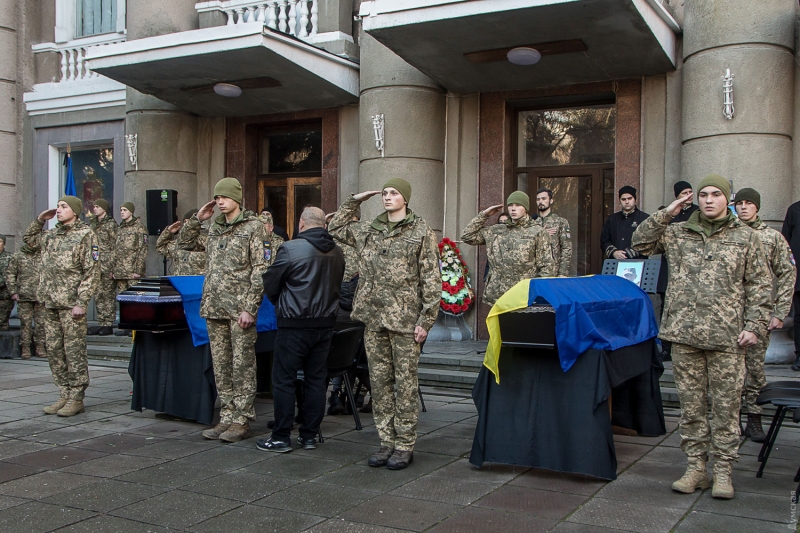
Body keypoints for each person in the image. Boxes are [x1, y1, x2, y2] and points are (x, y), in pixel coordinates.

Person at [632, 174, 771, 500]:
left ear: (728, 200)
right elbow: (640, 242)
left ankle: (723, 470)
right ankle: (696, 467)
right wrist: (670, 210)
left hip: (728, 339)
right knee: (692, 409)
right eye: (703, 194)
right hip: (685, 335)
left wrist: (755, 326)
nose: (708, 199)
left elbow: (760, 287)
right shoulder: (678, 233)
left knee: (726, 408)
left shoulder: (746, 238)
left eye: (716, 194)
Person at [328, 178, 440, 470]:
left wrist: (426, 320)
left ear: (406, 198)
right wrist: (356, 200)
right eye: (386, 193)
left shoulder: (420, 230)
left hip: (404, 321)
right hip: (373, 319)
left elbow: (431, 278)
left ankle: (404, 445)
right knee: (379, 384)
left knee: (405, 385)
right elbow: (335, 227)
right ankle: (385, 441)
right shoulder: (369, 229)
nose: (388, 197)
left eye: (394, 193)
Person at [180, 177, 268, 443]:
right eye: (217, 198)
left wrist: (250, 308)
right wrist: (198, 219)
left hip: (239, 309)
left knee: (242, 365)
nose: (219, 202)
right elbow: (182, 244)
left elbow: (261, 269)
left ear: (237, 199)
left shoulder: (254, 227)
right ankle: (227, 416)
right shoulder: (214, 228)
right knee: (221, 366)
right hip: (215, 307)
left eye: (224, 197)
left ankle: (242, 420)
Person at [256, 207, 344, 453]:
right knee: (316, 381)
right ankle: (309, 436)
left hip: (294, 323)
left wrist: (280, 304)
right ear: (323, 225)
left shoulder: (291, 248)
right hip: (325, 324)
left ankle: (281, 436)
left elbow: (271, 283)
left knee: (284, 380)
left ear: (302, 224)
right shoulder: (337, 252)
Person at [23, 197, 100, 417]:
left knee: (73, 351)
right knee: (55, 351)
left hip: (71, 305)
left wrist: (81, 302)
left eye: (64, 206)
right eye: (58, 206)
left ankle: (76, 397)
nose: (58, 210)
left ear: (75, 211)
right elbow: (29, 240)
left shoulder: (85, 234)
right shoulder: (51, 235)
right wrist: (40, 220)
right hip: (50, 303)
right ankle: (63, 393)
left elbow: (92, 271)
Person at [734, 188, 795, 442]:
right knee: (729, 371)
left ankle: (754, 419)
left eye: (749, 203)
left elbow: (787, 274)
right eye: (740, 203)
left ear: (757, 207)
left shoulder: (773, 238)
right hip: (728, 315)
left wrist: (780, 312)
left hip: (759, 316)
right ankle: (732, 420)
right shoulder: (728, 235)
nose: (744, 207)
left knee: (755, 370)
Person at [462, 191, 554, 306]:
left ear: (525, 208)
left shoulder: (537, 232)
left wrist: (535, 294)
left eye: (518, 205)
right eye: (510, 205)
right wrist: (484, 215)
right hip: (497, 295)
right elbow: (467, 236)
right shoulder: (497, 230)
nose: (513, 209)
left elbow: (547, 267)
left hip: (522, 297)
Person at [112, 202, 148, 336]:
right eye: (121, 210)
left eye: (125, 210)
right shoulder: (120, 228)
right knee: (123, 300)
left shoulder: (139, 228)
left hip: (132, 271)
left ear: (131, 212)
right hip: (121, 271)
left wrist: (138, 270)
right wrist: (114, 270)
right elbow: (115, 250)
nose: (122, 212)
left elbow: (142, 250)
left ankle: (136, 326)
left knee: (135, 299)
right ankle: (126, 325)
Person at [7, 242, 46, 358]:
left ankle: (40, 346)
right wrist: (13, 291)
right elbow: (10, 274)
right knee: (25, 323)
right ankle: (25, 347)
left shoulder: (44, 254)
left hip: (40, 295)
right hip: (23, 296)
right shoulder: (18, 255)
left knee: (41, 323)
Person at [87, 199, 117, 336]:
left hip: (107, 264)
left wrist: (112, 267)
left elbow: (115, 247)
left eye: (98, 206)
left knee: (108, 295)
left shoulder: (111, 225)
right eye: (94, 206)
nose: (95, 209)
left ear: (104, 209)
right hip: (95, 264)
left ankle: (108, 323)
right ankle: (101, 322)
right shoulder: (93, 224)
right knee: (98, 295)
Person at [600, 186, 649, 259]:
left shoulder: (645, 218)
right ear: (620, 200)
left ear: (635, 199)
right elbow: (604, 240)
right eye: (623, 199)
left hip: (638, 262)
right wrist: (614, 252)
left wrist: (630, 252)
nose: (626, 202)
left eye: (630, 198)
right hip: (616, 263)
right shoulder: (612, 219)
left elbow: (649, 241)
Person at [156, 209, 207, 276]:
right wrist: (168, 232)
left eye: (189, 222)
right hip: (180, 283)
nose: (186, 224)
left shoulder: (205, 239)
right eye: (185, 222)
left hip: (200, 283)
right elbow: (161, 247)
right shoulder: (179, 244)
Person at [534, 188, 572, 276]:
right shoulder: (533, 223)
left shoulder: (560, 222)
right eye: (538, 199)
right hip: (535, 271)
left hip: (554, 271)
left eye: (544, 199)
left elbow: (567, 249)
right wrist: (542, 234)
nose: (540, 202)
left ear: (551, 201)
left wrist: (563, 273)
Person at [781, 199, 800, 371]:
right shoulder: (794, 210)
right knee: (799, 318)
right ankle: (799, 355)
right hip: (799, 274)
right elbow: (785, 241)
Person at [483, 212, 510, 283]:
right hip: (496, 280)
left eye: (505, 222)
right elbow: (489, 261)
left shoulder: (515, 238)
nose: (503, 224)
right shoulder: (494, 237)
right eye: (500, 222)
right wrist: (486, 278)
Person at [0, 236, 13, 330]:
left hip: (4, 295)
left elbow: (11, 274)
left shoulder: (10, 257)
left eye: (0, 242)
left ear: (4, 244)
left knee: (2, 322)